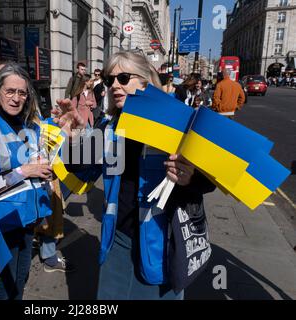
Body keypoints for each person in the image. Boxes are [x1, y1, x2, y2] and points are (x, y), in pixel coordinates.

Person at [53, 50, 215, 300]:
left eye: (124, 78)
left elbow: (210, 178)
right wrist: (75, 139)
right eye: (110, 80)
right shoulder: (109, 127)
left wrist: (189, 177)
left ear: (146, 81)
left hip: (162, 244)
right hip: (117, 240)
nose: (115, 85)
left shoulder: (176, 123)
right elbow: (81, 168)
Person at [0, 62, 53, 300]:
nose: (16, 98)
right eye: (10, 91)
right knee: (1, 291)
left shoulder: (29, 127)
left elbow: (40, 162)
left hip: (26, 221)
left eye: (22, 92)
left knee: (19, 284)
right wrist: (23, 172)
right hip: (0, 224)